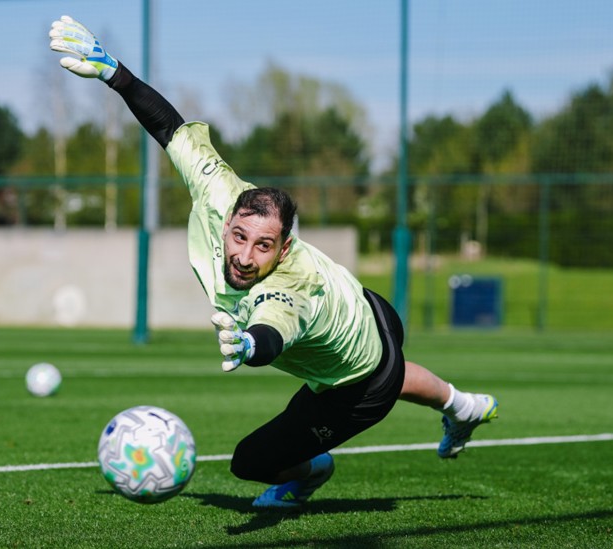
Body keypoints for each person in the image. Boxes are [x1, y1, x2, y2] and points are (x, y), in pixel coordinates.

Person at [49, 15, 498, 509]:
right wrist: (115, 73)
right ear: (228, 220)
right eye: (239, 237)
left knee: (252, 462)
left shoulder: (290, 284)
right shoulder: (219, 190)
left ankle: (312, 473)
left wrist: (248, 344)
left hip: (356, 385)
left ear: (284, 248)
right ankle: (463, 406)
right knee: (385, 362)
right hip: (371, 311)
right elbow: (169, 127)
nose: (244, 256)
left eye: (263, 246)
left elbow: (273, 331)